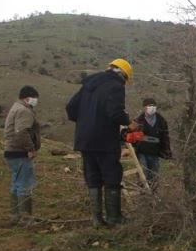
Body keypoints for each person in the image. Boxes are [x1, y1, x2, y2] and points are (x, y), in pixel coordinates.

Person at [66, 58, 139, 228]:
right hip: (105, 140)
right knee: (112, 176)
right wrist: (129, 123)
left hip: (84, 140)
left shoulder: (88, 84)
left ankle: (97, 220)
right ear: (123, 75)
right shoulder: (116, 86)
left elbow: (70, 108)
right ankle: (114, 218)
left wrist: (86, 121)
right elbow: (115, 112)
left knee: (93, 178)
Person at [3, 86, 41, 225]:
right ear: (27, 98)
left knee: (16, 184)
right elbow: (22, 132)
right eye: (35, 98)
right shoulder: (24, 111)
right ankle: (26, 218)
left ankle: (15, 216)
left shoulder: (15, 108)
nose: (36, 101)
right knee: (24, 184)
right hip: (20, 153)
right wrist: (30, 149)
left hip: (11, 151)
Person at [131, 98, 171, 191]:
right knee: (143, 175)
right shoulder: (138, 121)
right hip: (141, 152)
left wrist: (167, 151)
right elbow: (129, 134)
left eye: (153, 106)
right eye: (149, 106)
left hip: (155, 152)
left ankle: (153, 197)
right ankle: (144, 195)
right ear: (144, 108)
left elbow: (165, 137)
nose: (151, 108)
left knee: (154, 176)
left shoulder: (161, 121)